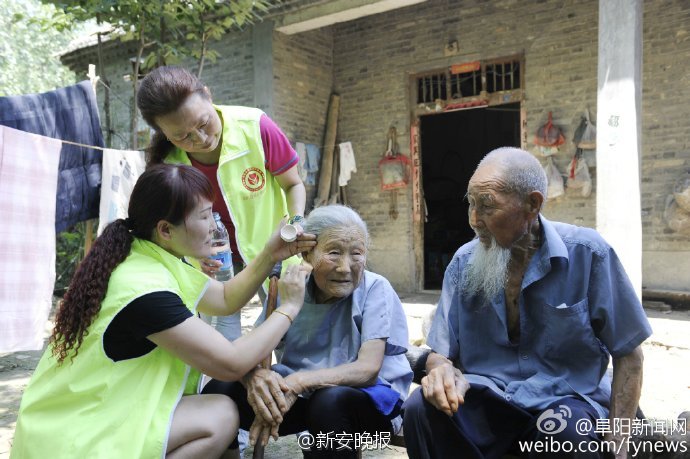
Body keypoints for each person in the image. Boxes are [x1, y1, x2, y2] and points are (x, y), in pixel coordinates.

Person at [10, 164, 315, 459]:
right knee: (220, 416)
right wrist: (288, 308)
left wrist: (269, 253)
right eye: (205, 216)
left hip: (88, 411)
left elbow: (224, 298)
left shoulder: (147, 255)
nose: (215, 227)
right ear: (166, 230)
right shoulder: (145, 289)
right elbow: (231, 363)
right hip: (80, 436)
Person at [403, 147, 652, 459]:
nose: (474, 220)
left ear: (532, 204)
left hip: (561, 401)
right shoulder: (463, 263)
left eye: (487, 206)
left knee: (567, 430)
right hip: (487, 397)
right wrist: (439, 369)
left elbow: (630, 356)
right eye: (471, 205)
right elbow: (441, 352)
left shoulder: (589, 254)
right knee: (420, 409)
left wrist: (619, 445)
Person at [203, 204, 413, 458]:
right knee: (220, 390)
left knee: (328, 404)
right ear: (307, 256)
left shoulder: (375, 288)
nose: (346, 267)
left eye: (356, 254)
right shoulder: (293, 287)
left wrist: (298, 382)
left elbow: (367, 369)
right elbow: (249, 352)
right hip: (302, 397)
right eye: (334, 253)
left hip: (369, 403)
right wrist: (253, 377)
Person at [136, 65, 306, 343]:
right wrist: (193, 257)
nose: (200, 139)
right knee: (221, 342)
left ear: (208, 95)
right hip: (214, 264)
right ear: (164, 134)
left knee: (287, 335)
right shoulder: (168, 165)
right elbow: (168, 230)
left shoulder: (255, 126)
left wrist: (296, 223)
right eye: (182, 136)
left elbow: (293, 184)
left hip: (275, 250)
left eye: (203, 123)